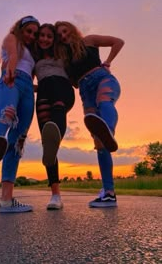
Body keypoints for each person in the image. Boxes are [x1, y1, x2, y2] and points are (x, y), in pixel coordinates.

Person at [55, 21, 124, 208]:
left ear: (71, 30)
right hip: (85, 93)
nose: (62, 36)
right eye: (59, 35)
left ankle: (108, 130)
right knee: (100, 144)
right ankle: (109, 194)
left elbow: (118, 41)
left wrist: (108, 61)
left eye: (64, 31)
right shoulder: (65, 61)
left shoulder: (89, 40)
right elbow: (73, 84)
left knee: (105, 102)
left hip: (102, 78)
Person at [0, 15, 40, 213]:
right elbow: (12, 57)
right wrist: (10, 73)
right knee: (6, 114)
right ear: (20, 29)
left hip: (28, 88)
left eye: (34, 33)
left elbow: (30, 76)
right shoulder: (12, 38)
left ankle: (6, 201)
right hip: (10, 80)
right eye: (28, 31)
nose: (31, 36)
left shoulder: (33, 52)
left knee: (18, 141)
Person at [34, 23, 75, 210]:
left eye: (49, 36)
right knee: (48, 145)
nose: (44, 39)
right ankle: (55, 196)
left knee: (57, 113)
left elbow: (79, 59)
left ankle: (54, 137)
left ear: (54, 38)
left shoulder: (63, 52)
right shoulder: (35, 57)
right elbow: (27, 77)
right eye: (41, 35)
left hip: (62, 90)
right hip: (43, 93)